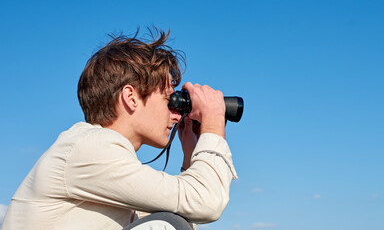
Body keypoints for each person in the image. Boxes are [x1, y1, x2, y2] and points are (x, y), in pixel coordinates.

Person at [1, 28, 237, 230]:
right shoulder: (90, 147)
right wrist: (213, 122)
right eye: (169, 101)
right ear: (131, 97)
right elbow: (205, 203)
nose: (177, 113)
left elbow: (190, 210)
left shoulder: (102, 162)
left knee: (169, 220)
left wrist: (190, 156)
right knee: (166, 225)